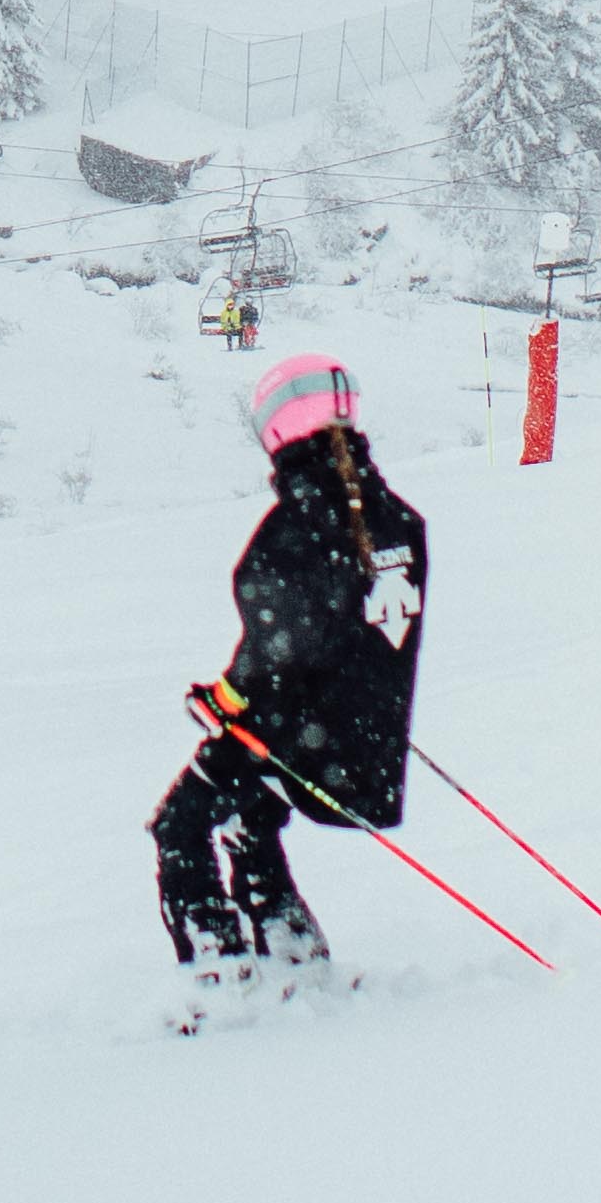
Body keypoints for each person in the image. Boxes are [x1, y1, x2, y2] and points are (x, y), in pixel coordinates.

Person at [150, 353, 427, 977]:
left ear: (275, 429)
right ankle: (294, 961)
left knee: (180, 824)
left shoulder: (297, 528)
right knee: (250, 819)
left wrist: (225, 699)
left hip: (294, 737)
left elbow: (277, 659)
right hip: (362, 741)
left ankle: (218, 975)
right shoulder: (396, 519)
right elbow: (333, 637)